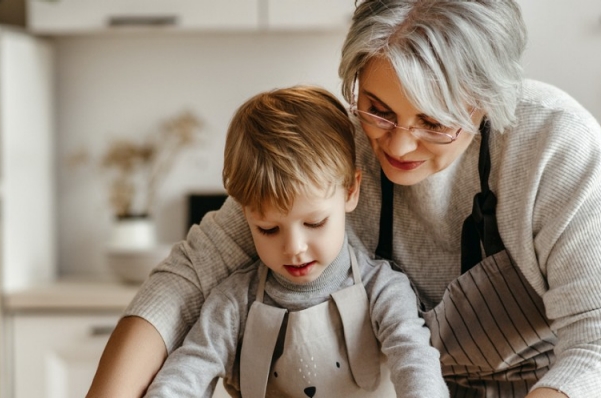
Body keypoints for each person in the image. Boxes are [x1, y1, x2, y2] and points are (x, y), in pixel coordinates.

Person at [89, 1, 601, 397]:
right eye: (378, 108)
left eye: (434, 120)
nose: (397, 143)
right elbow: (186, 281)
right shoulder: (336, 146)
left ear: (485, 98)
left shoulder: (553, 142)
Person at [143, 86, 447, 397]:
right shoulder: (234, 303)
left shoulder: (383, 289)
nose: (294, 248)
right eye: (268, 229)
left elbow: (415, 360)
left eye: (314, 223)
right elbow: (189, 369)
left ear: (350, 192)